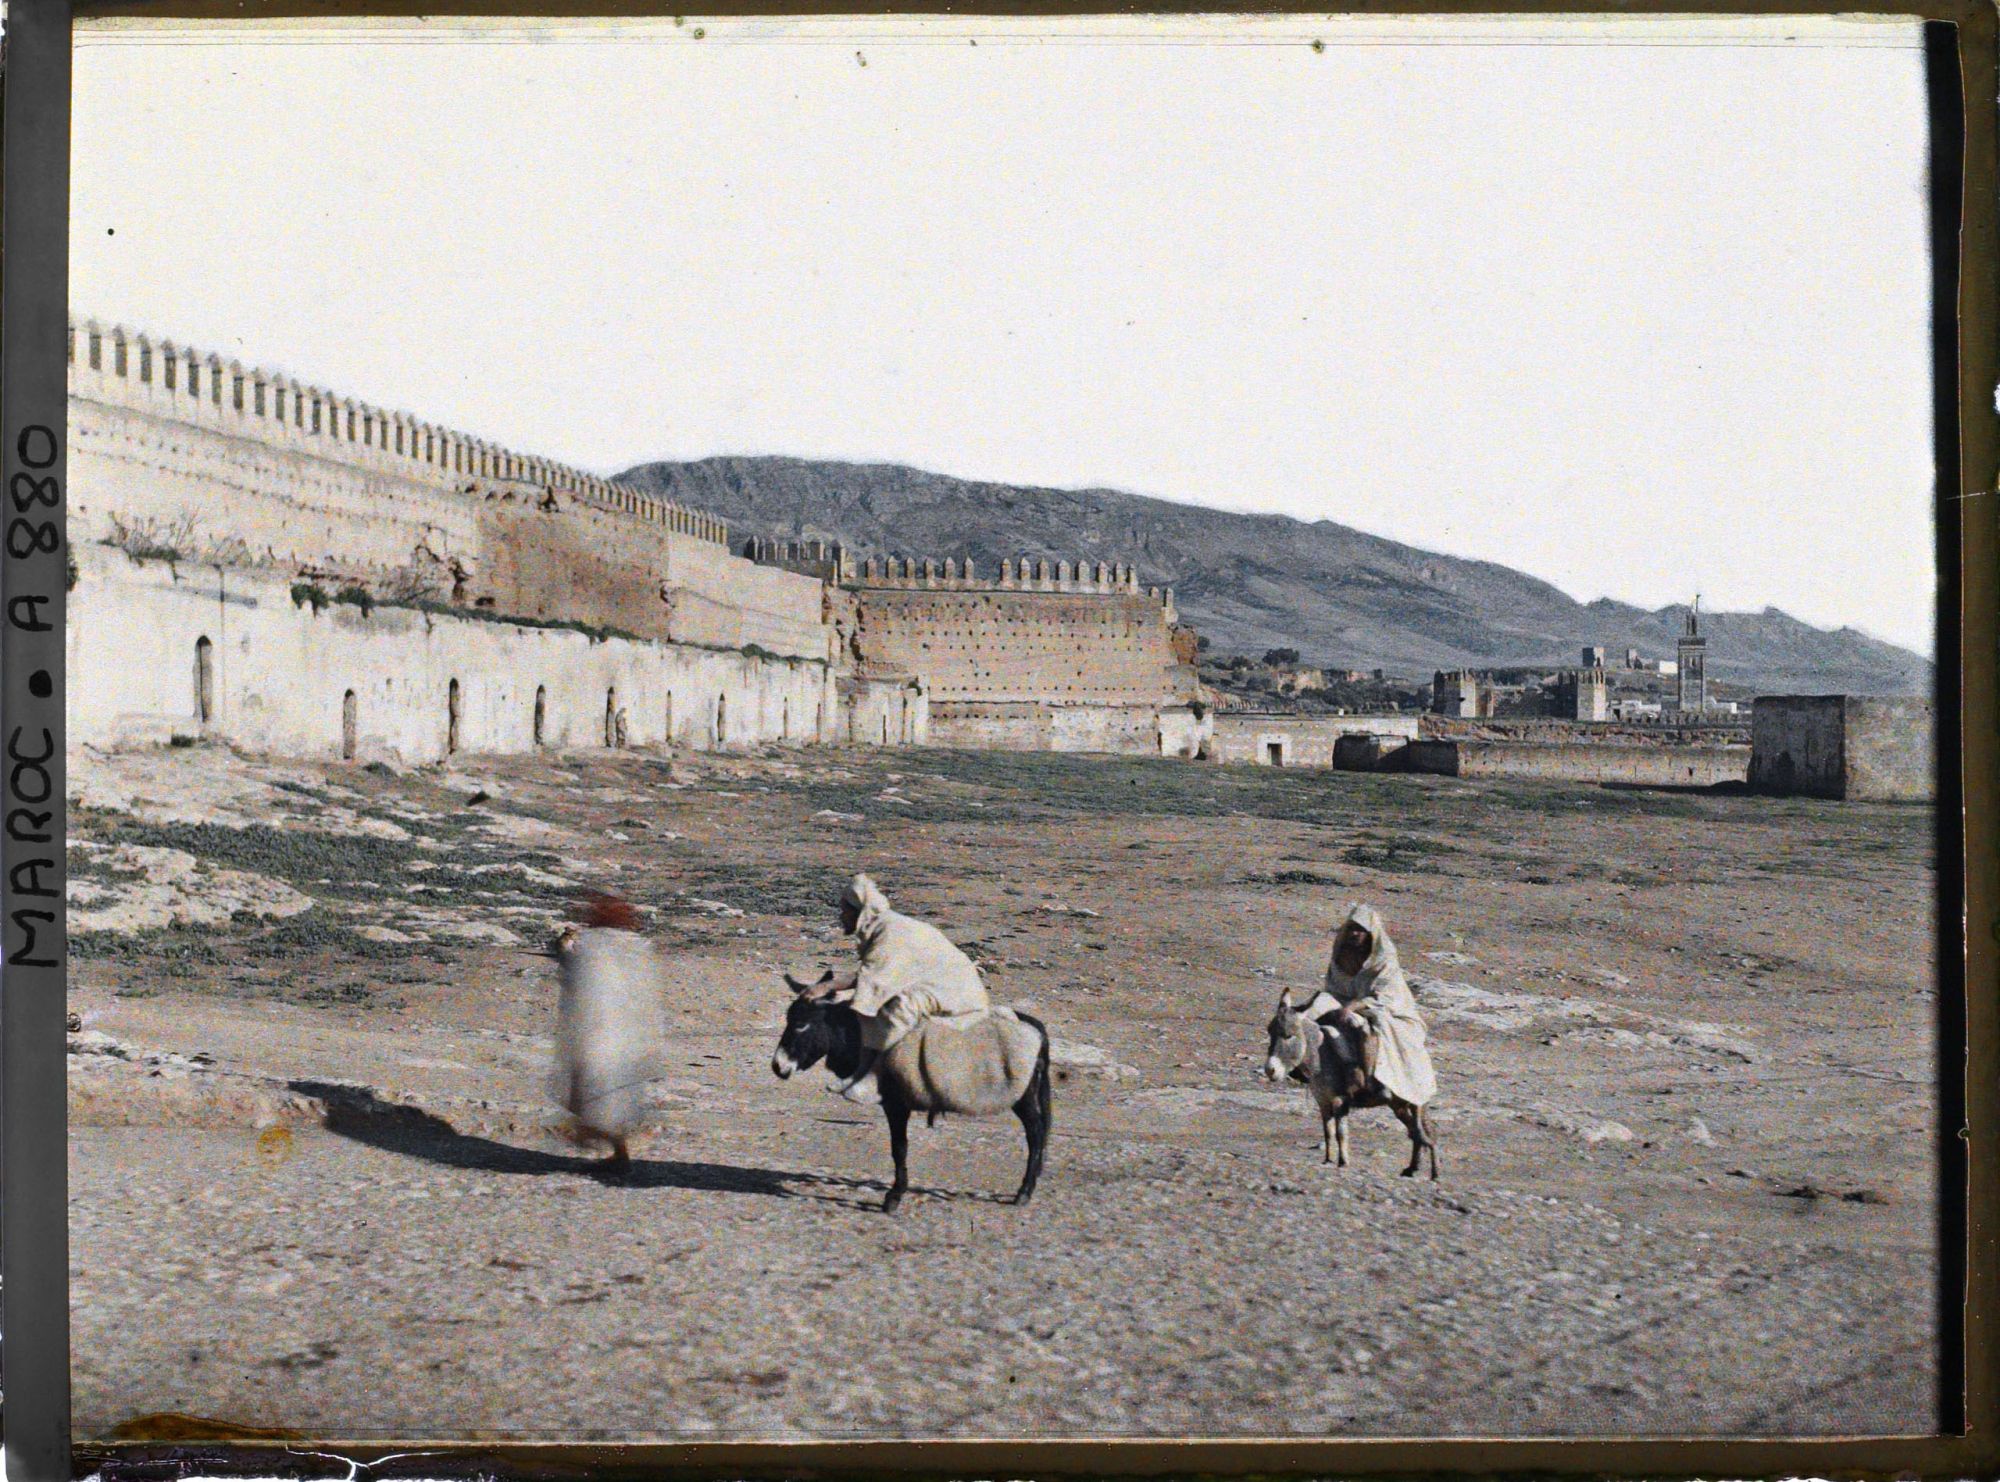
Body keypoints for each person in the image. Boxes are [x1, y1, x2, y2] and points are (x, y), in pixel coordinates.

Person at [817, 873, 990, 1104]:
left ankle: (875, 1078)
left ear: (858, 911)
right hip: (933, 986)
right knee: (870, 1006)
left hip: (955, 993)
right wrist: (833, 988)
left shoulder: (890, 931)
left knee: (898, 1007)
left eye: (844, 911)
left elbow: (874, 978)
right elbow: (873, 973)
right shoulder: (881, 927)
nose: (841, 917)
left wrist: (831, 990)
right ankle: (860, 1073)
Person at [548, 891, 670, 1175]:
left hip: (597, 1033)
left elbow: (582, 984)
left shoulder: (594, 947)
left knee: (592, 1096)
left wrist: (563, 955)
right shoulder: (637, 949)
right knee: (612, 1098)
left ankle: (595, 1141)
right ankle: (616, 1151)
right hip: (627, 1038)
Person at [1300, 902, 1437, 1109]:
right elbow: (1335, 987)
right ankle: (1305, 1067)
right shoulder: (1343, 954)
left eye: (1361, 930)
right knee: (1312, 1010)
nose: (1355, 934)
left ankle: (1370, 1079)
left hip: (1384, 1008)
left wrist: (1354, 1006)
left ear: (1371, 934)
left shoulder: (1384, 959)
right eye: (1352, 929)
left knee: (1371, 1028)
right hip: (1344, 1002)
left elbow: (1387, 995)